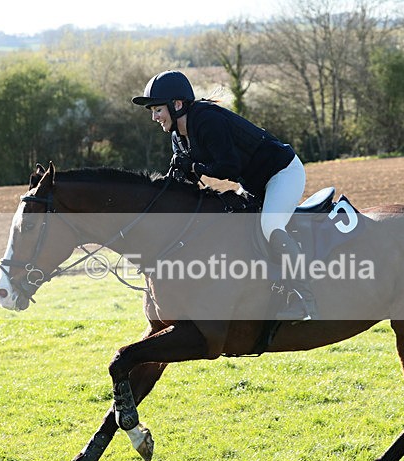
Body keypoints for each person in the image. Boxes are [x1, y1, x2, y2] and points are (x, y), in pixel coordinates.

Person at [132, 70, 317, 321]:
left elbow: (228, 167)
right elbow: (184, 181)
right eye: (152, 111)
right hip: (253, 182)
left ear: (177, 105)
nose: (154, 117)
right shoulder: (178, 136)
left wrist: (196, 167)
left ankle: (305, 299)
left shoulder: (207, 121)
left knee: (270, 224)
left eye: (157, 110)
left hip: (282, 173)